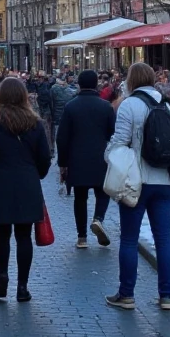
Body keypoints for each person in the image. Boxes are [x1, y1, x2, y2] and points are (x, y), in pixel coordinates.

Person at [105, 61, 170, 311]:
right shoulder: (167, 105)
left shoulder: (129, 105)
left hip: (136, 182)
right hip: (165, 181)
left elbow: (119, 141)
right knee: (164, 238)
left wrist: (109, 156)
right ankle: (167, 296)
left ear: (131, 81)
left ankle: (126, 294)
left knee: (128, 239)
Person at [0, 77, 52, 302]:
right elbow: (45, 159)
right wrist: (35, 175)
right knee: (24, 236)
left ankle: (2, 277)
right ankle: (23, 285)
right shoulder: (35, 123)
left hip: (0, 183)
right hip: (27, 183)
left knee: (2, 233)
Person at [55, 68, 116, 248]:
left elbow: (62, 138)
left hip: (77, 159)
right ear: (96, 84)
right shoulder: (106, 107)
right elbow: (112, 134)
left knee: (80, 197)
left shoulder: (71, 106)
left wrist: (63, 163)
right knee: (103, 192)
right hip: (100, 158)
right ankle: (98, 219)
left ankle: (81, 237)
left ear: (79, 84)